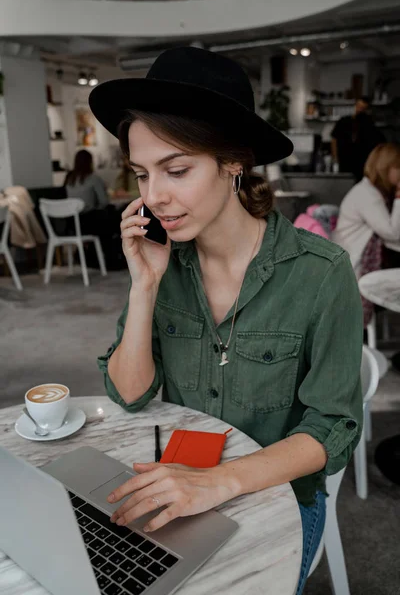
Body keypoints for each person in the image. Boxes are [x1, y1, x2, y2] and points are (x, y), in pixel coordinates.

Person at [90, 47, 363, 595]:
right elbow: (129, 394)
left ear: (234, 161)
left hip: (277, 495)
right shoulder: (163, 261)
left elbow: (332, 428)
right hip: (177, 479)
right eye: (142, 174)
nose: (154, 197)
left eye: (177, 169)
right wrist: (144, 287)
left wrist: (219, 482)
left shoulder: (319, 271)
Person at [333, 143, 400, 326]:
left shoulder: (373, 192)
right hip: (354, 266)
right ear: (386, 168)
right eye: (398, 167)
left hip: (358, 259)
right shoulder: (367, 195)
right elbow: (392, 232)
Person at [64, 149, 121, 267]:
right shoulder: (93, 179)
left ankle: (90, 254)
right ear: (90, 162)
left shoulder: (69, 179)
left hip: (71, 224)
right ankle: (111, 258)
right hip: (89, 223)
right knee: (115, 220)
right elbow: (104, 202)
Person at [331, 97, 385, 181]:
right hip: (344, 162)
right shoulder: (343, 121)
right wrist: (335, 158)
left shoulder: (369, 125)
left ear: (367, 110)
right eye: (359, 106)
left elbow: (376, 145)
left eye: (363, 108)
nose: (360, 110)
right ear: (355, 106)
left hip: (361, 165)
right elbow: (334, 140)